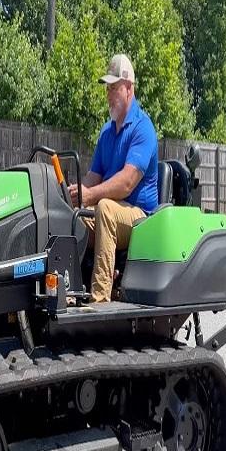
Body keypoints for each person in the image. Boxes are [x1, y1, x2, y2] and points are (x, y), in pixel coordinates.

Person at [69, 54, 159, 303]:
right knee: (69, 215)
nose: (108, 94)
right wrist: (73, 193)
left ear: (129, 88)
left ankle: (100, 298)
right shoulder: (107, 132)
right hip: (109, 210)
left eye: (114, 88)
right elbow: (93, 177)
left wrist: (90, 196)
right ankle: (68, 290)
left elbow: (126, 183)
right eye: (107, 88)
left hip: (140, 217)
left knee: (105, 208)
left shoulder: (143, 128)